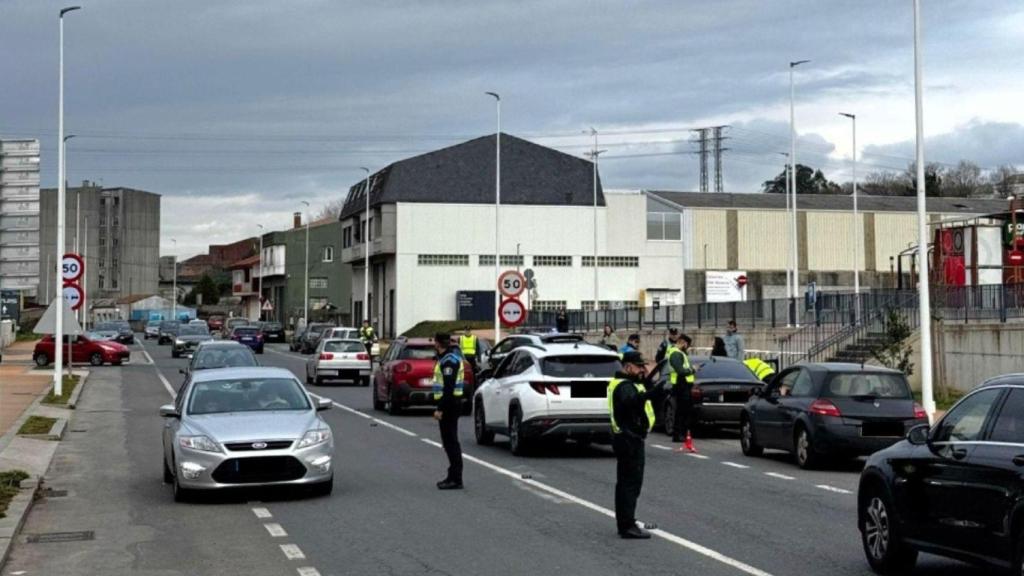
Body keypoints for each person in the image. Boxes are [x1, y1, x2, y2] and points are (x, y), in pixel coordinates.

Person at [608, 350, 656, 539]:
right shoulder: (625, 386)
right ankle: (627, 525)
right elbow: (633, 403)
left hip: (628, 438)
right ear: (628, 367)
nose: (642, 370)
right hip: (629, 439)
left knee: (628, 483)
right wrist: (654, 392)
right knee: (630, 484)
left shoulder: (629, 383)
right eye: (639, 366)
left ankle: (627, 522)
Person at [432, 333, 465, 490]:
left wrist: (440, 409)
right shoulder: (447, 359)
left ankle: (455, 478)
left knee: (451, 442)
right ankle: (452, 475)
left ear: (438, 344)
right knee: (449, 442)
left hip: (450, 405)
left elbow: (449, 388)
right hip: (452, 404)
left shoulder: (449, 361)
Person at [666, 334, 697, 452]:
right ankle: (678, 434)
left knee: (683, 410)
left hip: (684, 384)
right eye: (687, 345)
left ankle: (681, 433)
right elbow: (680, 370)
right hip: (680, 384)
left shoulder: (680, 353)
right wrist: (692, 370)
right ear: (682, 342)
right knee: (681, 411)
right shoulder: (675, 353)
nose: (687, 347)